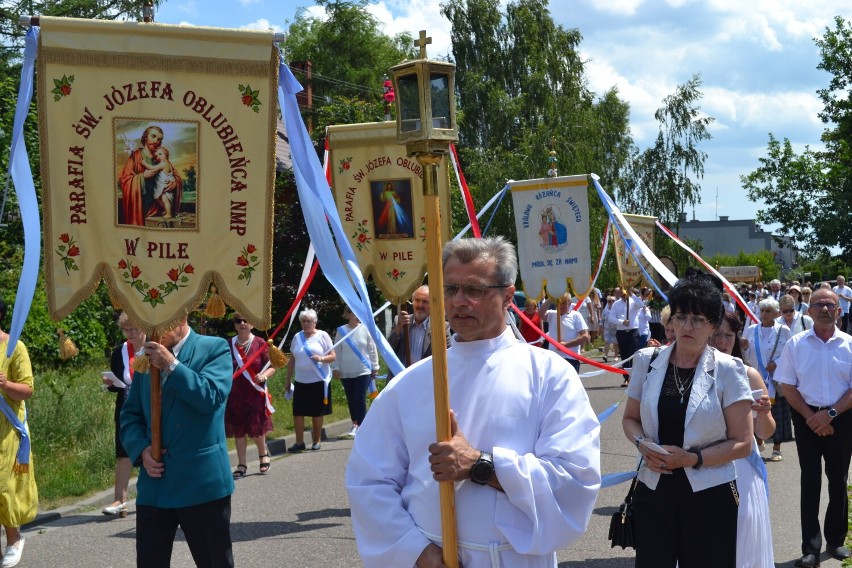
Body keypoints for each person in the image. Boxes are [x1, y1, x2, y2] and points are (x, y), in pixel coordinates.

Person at [346, 237, 601, 567]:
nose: (459, 302)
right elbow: (369, 480)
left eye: (474, 290)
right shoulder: (410, 383)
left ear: (508, 296)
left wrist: (481, 465)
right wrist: (417, 552)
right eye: (450, 289)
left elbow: (574, 477)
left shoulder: (550, 375)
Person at [622, 270, 753, 567]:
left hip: (710, 492)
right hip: (654, 488)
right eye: (680, 317)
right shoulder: (648, 360)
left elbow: (743, 442)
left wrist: (691, 458)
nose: (687, 326)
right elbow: (630, 419)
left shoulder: (729, 369)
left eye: (698, 319)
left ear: (713, 326)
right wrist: (643, 444)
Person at [119, 317, 234, 567]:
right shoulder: (145, 357)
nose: (152, 331)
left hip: (201, 482)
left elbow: (210, 397)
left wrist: (172, 365)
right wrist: (142, 450)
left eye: (160, 323)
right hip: (156, 484)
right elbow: (130, 415)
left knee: (214, 562)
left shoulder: (214, 348)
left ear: (180, 318)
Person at [774, 288, 852, 568]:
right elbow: (787, 385)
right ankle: (810, 546)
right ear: (809, 310)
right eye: (818, 304)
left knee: (837, 480)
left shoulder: (849, 344)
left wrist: (829, 415)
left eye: (830, 305)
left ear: (839, 311)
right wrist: (812, 417)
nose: (824, 309)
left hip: (841, 417)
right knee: (810, 481)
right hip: (805, 417)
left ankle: (836, 540)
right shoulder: (796, 344)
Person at [710, 311, 776, 568]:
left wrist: (764, 413)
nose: (722, 341)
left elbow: (765, 433)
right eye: (716, 335)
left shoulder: (748, 374)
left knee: (744, 530)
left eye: (728, 335)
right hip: (704, 462)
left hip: (743, 467)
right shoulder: (691, 372)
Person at [0, 298, 37, 568]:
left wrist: (4, 383)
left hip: (7, 428)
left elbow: (26, 390)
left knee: (4, 486)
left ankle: (13, 539)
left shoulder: (15, 347)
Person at [102, 313, 146, 518]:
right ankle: (120, 500)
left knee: (153, 451)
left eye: (134, 329)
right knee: (123, 453)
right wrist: (111, 384)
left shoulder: (154, 347)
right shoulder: (119, 351)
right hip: (126, 407)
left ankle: (151, 496)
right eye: (126, 330)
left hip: (150, 406)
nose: (130, 333)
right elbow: (119, 382)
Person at [742, 298, 792, 462]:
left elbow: (788, 353)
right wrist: (743, 347)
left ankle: (777, 448)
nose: (764, 314)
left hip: (775, 379)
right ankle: (759, 441)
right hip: (757, 378)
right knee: (756, 411)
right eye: (762, 311)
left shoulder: (783, 330)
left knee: (776, 413)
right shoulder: (751, 330)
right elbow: (745, 353)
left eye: (768, 311)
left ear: (776, 314)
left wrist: (776, 363)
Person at [226, 314, 276, 479]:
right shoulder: (228, 344)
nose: (242, 323)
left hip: (255, 392)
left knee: (256, 427)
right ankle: (241, 464)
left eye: (245, 320)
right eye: (238, 321)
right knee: (239, 430)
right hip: (235, 394)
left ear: (252, 325)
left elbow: (272, 366)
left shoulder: (260, 343)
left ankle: (263, 453)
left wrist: (264, 376)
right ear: (234, 325)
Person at [285, 309, 335, 452]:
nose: (306, 324)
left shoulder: (322, 336)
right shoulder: (297, 337)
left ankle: (316, 440)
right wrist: (288, 379)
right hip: (301, 382)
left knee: (316, 413)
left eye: (309, 321)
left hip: (318, 380)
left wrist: (322, 358)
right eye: (303, 321)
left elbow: (333, 356)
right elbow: (292, 359)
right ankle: (299, 442)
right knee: (298, 412)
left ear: (315, 322)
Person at [118, 125, 182, 226]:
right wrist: (142, 177)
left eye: (159, 139)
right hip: (140, 205)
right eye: (153, 136)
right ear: (145, 137)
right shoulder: (135, 156)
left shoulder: (161, 157)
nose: (156, 141)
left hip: (158, 206)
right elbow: (125, 181)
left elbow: (174, 176)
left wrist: (174, 183)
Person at [332, 305, 379, 439]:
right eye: (353, 312)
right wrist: (336, 367)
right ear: (348, 314)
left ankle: (362, 425)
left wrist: (375, 366)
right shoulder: (341, 330)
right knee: (351, 399)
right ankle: (354, 423)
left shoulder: (365, 329)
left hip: (363, 370)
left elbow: (372, 348)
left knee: (359, 398)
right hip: (346, 370)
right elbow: (337, 350)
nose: (356, 315)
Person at [387, 285, 449, 373]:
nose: (420, 305)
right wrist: (398, 328)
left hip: (426, 379)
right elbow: (388, 349)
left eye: (425, 302)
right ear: (412, 302)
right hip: (401, 378)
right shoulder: (399, 321)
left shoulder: (441, 326)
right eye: (417, 300)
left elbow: (448, 355)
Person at [538, 293, 590, 373]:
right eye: (559, 303)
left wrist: (566, 345)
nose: (561, 306)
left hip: (570, 358)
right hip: (554, 358)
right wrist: (551, 297)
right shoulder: (552, 314)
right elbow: (540, 313)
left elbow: (585, 336)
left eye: (564, 303)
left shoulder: (575, 315)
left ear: (569, 303)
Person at [608, 286, 642, 370]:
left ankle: (633, 375)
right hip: (622, 332)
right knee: (624, 354)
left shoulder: (633, 301)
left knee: (633, 354)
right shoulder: (616, 303)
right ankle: (626, 377)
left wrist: (632, 294)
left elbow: (641, 305)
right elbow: (611, 318)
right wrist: (621, 322)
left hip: (633, 331)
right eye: (621, 293)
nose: (623, 294)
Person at [601, 295, 619, 362]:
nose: (611, 302)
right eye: (609, 301)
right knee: (607, 341)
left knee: (616, 342)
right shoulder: (605, 310)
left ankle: (616, 356)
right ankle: (606, 355)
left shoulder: (617, 310)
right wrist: (600, 328)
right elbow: (602, 320)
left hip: (616, 328)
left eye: (613, 301)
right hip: (607, 328)